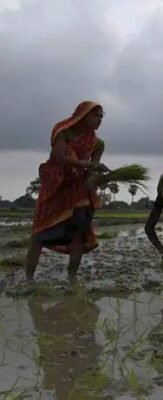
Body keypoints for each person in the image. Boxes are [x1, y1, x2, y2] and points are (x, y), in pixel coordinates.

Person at [25, 101, 110, 282]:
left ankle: (72, 277)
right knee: (39, 234)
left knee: (78, 233)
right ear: (82, 115)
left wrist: (97, 177)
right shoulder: (63, 131)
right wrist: (87, 165)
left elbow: (92, 170)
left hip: (78, 189)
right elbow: (59, 157)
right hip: (56, 187)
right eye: (95, 115)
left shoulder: (98, 143)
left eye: (101, 117)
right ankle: (29, 279)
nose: (99, 120)